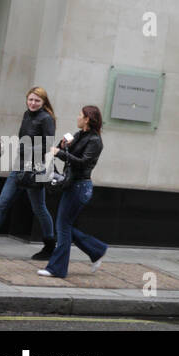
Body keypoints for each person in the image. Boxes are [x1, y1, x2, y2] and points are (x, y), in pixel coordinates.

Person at [0, 86, 57, 259]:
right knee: (2, 204)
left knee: (39, 208)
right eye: (30, 99)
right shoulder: (26, 114)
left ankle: (50, 246)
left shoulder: (46, 118)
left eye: (37, 100)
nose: (33, 103)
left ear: (44, 102)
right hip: (18, 167)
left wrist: (27, 148)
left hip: (35, 168)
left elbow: (48, 145)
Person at [39, 106, 108, 278]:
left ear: (87, 119)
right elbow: (64, 154)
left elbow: (83, 163)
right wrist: (63, 146)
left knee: (62, 227)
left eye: (80, 115)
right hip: (71, 185)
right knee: (65, 225)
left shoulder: (95, 141)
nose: (77, 117)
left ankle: (57, 268)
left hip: (80, 187)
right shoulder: (79, 135)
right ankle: (97, 249)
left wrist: (61, 153)